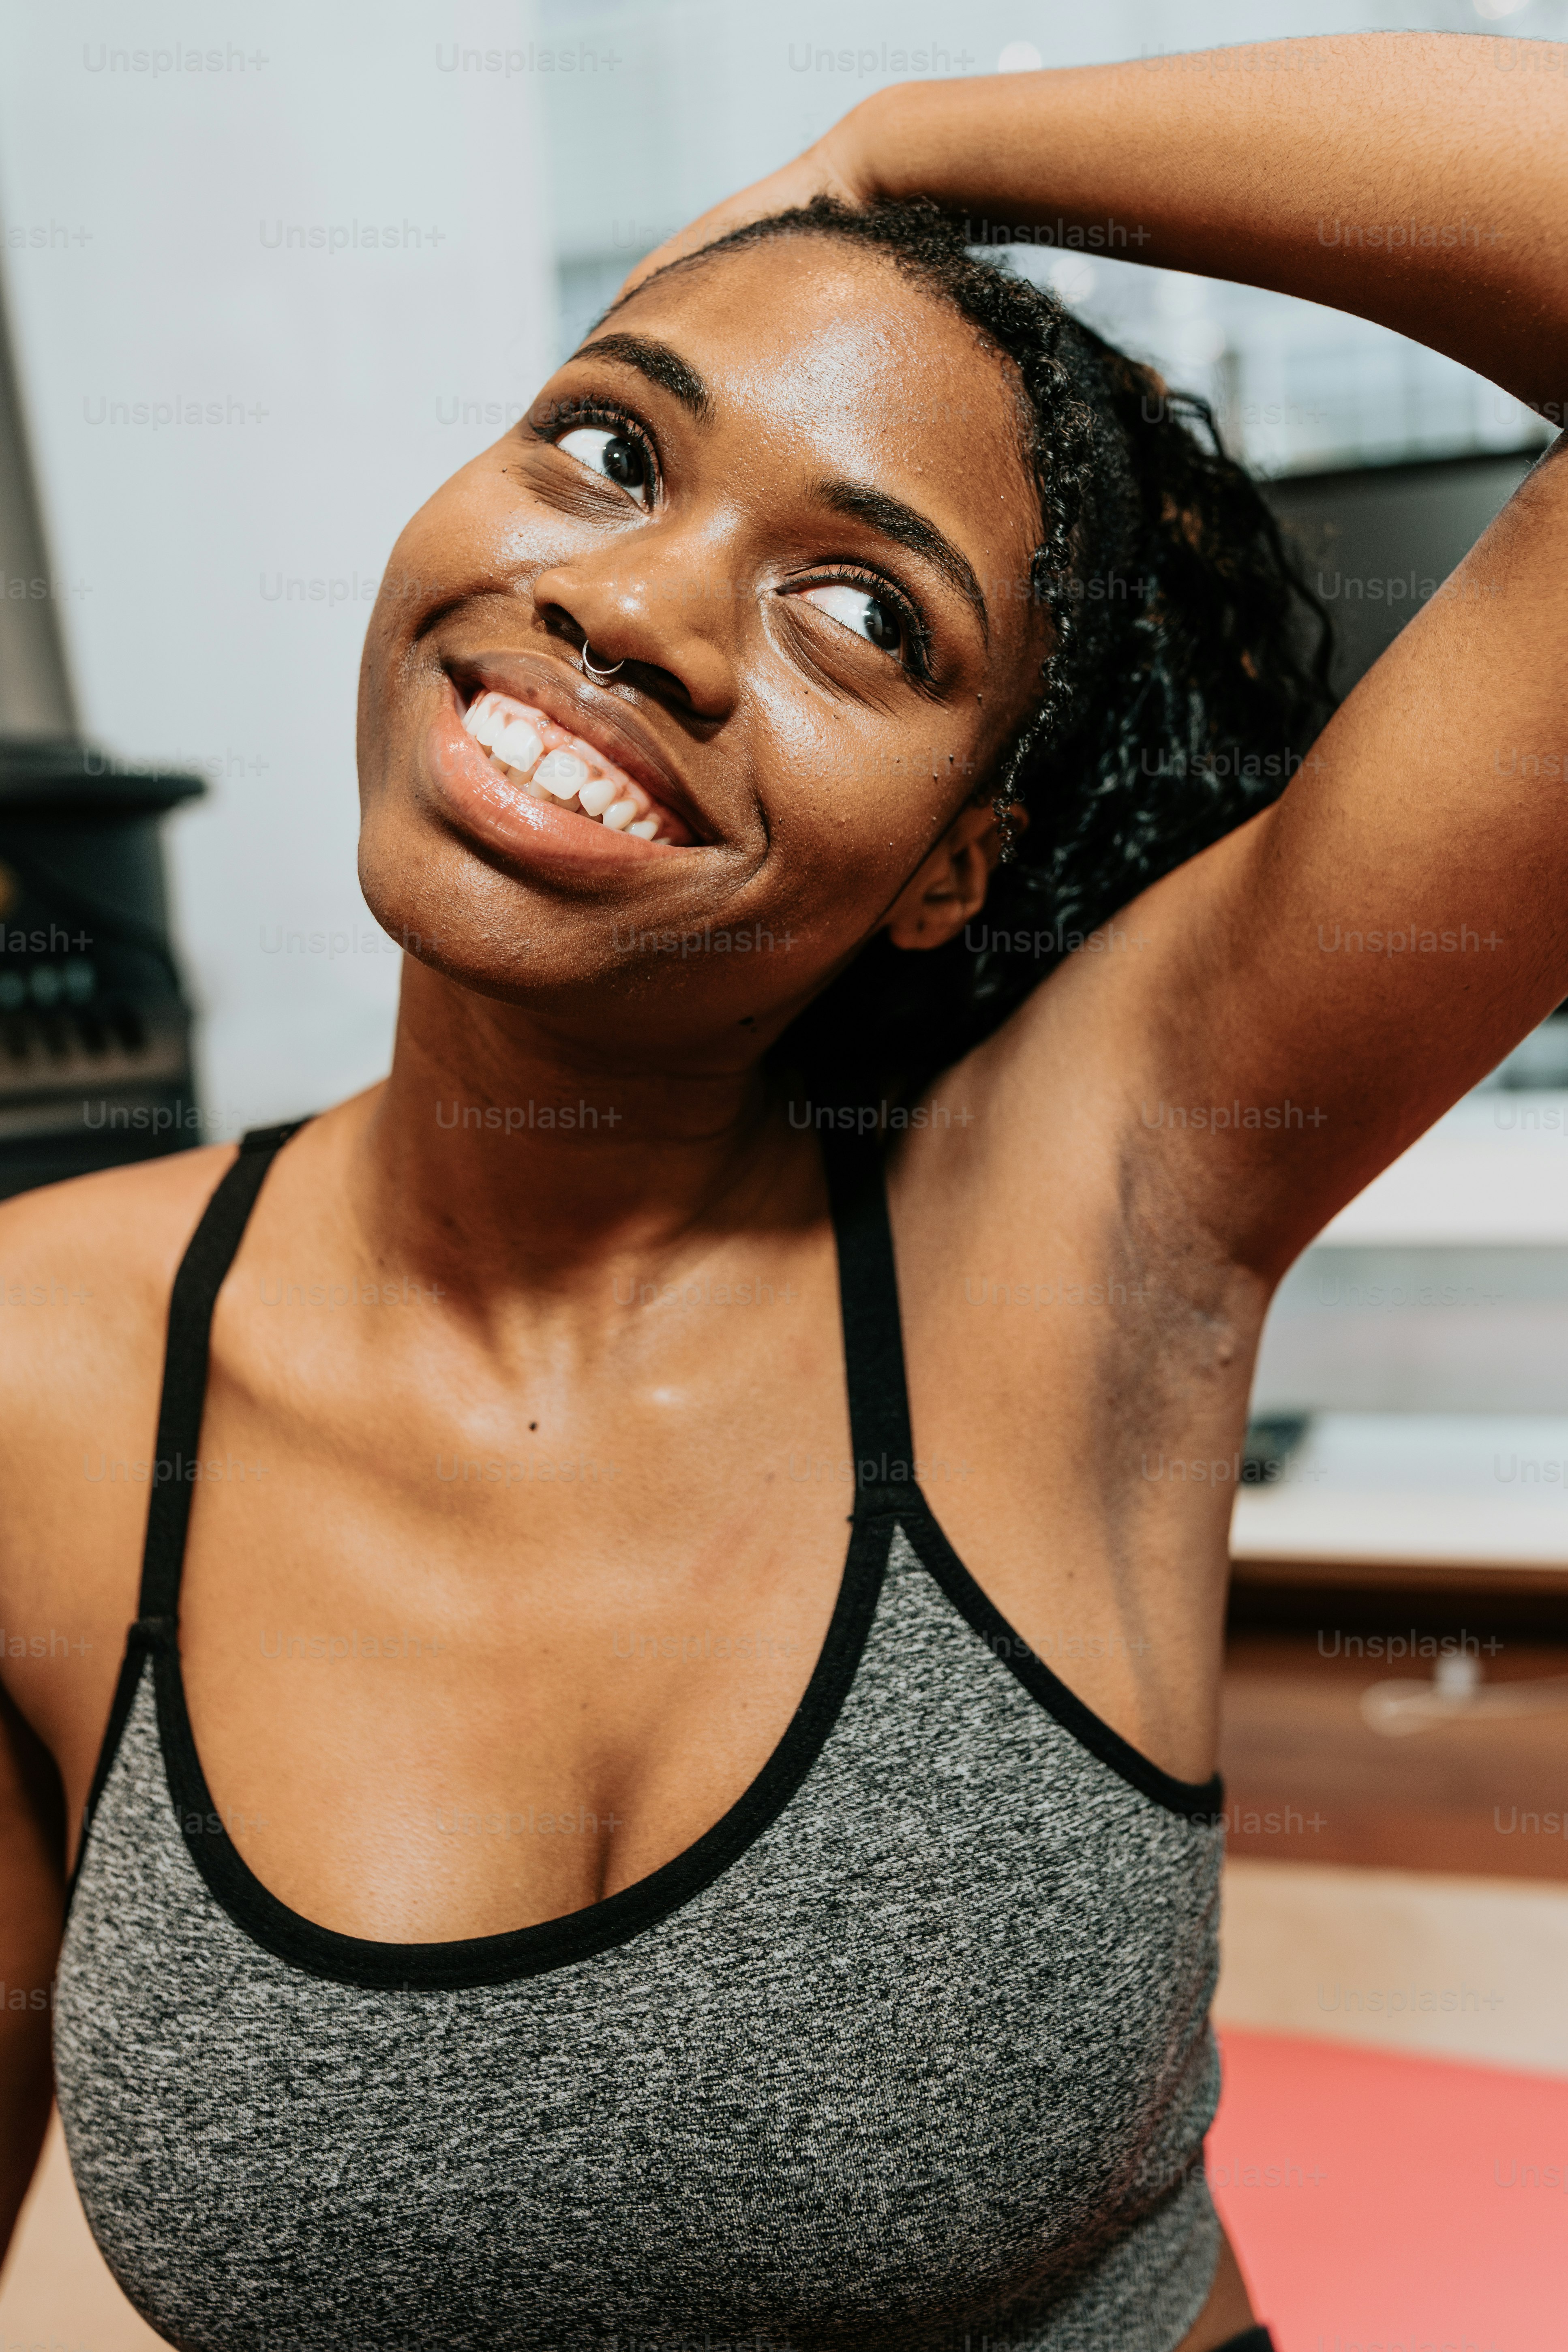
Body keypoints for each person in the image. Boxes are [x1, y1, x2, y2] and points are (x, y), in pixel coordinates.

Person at [2, 31, 1564, 2352]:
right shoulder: (36, 1366)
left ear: (957, 866)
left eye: (864, 614)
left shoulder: (1078, 1218)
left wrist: (908, 144)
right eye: (610, 449)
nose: (634, 610)